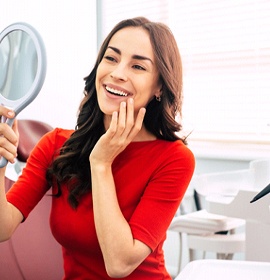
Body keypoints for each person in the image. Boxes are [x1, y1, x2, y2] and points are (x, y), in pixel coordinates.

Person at [0, 17, 195, 279]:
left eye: (137, 66)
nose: (118, 73)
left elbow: (119, 264)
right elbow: (3, 229)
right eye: (111, 58)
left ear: (159, 86)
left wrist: (101, 163)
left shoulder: (174, 159)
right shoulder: (56, 145)